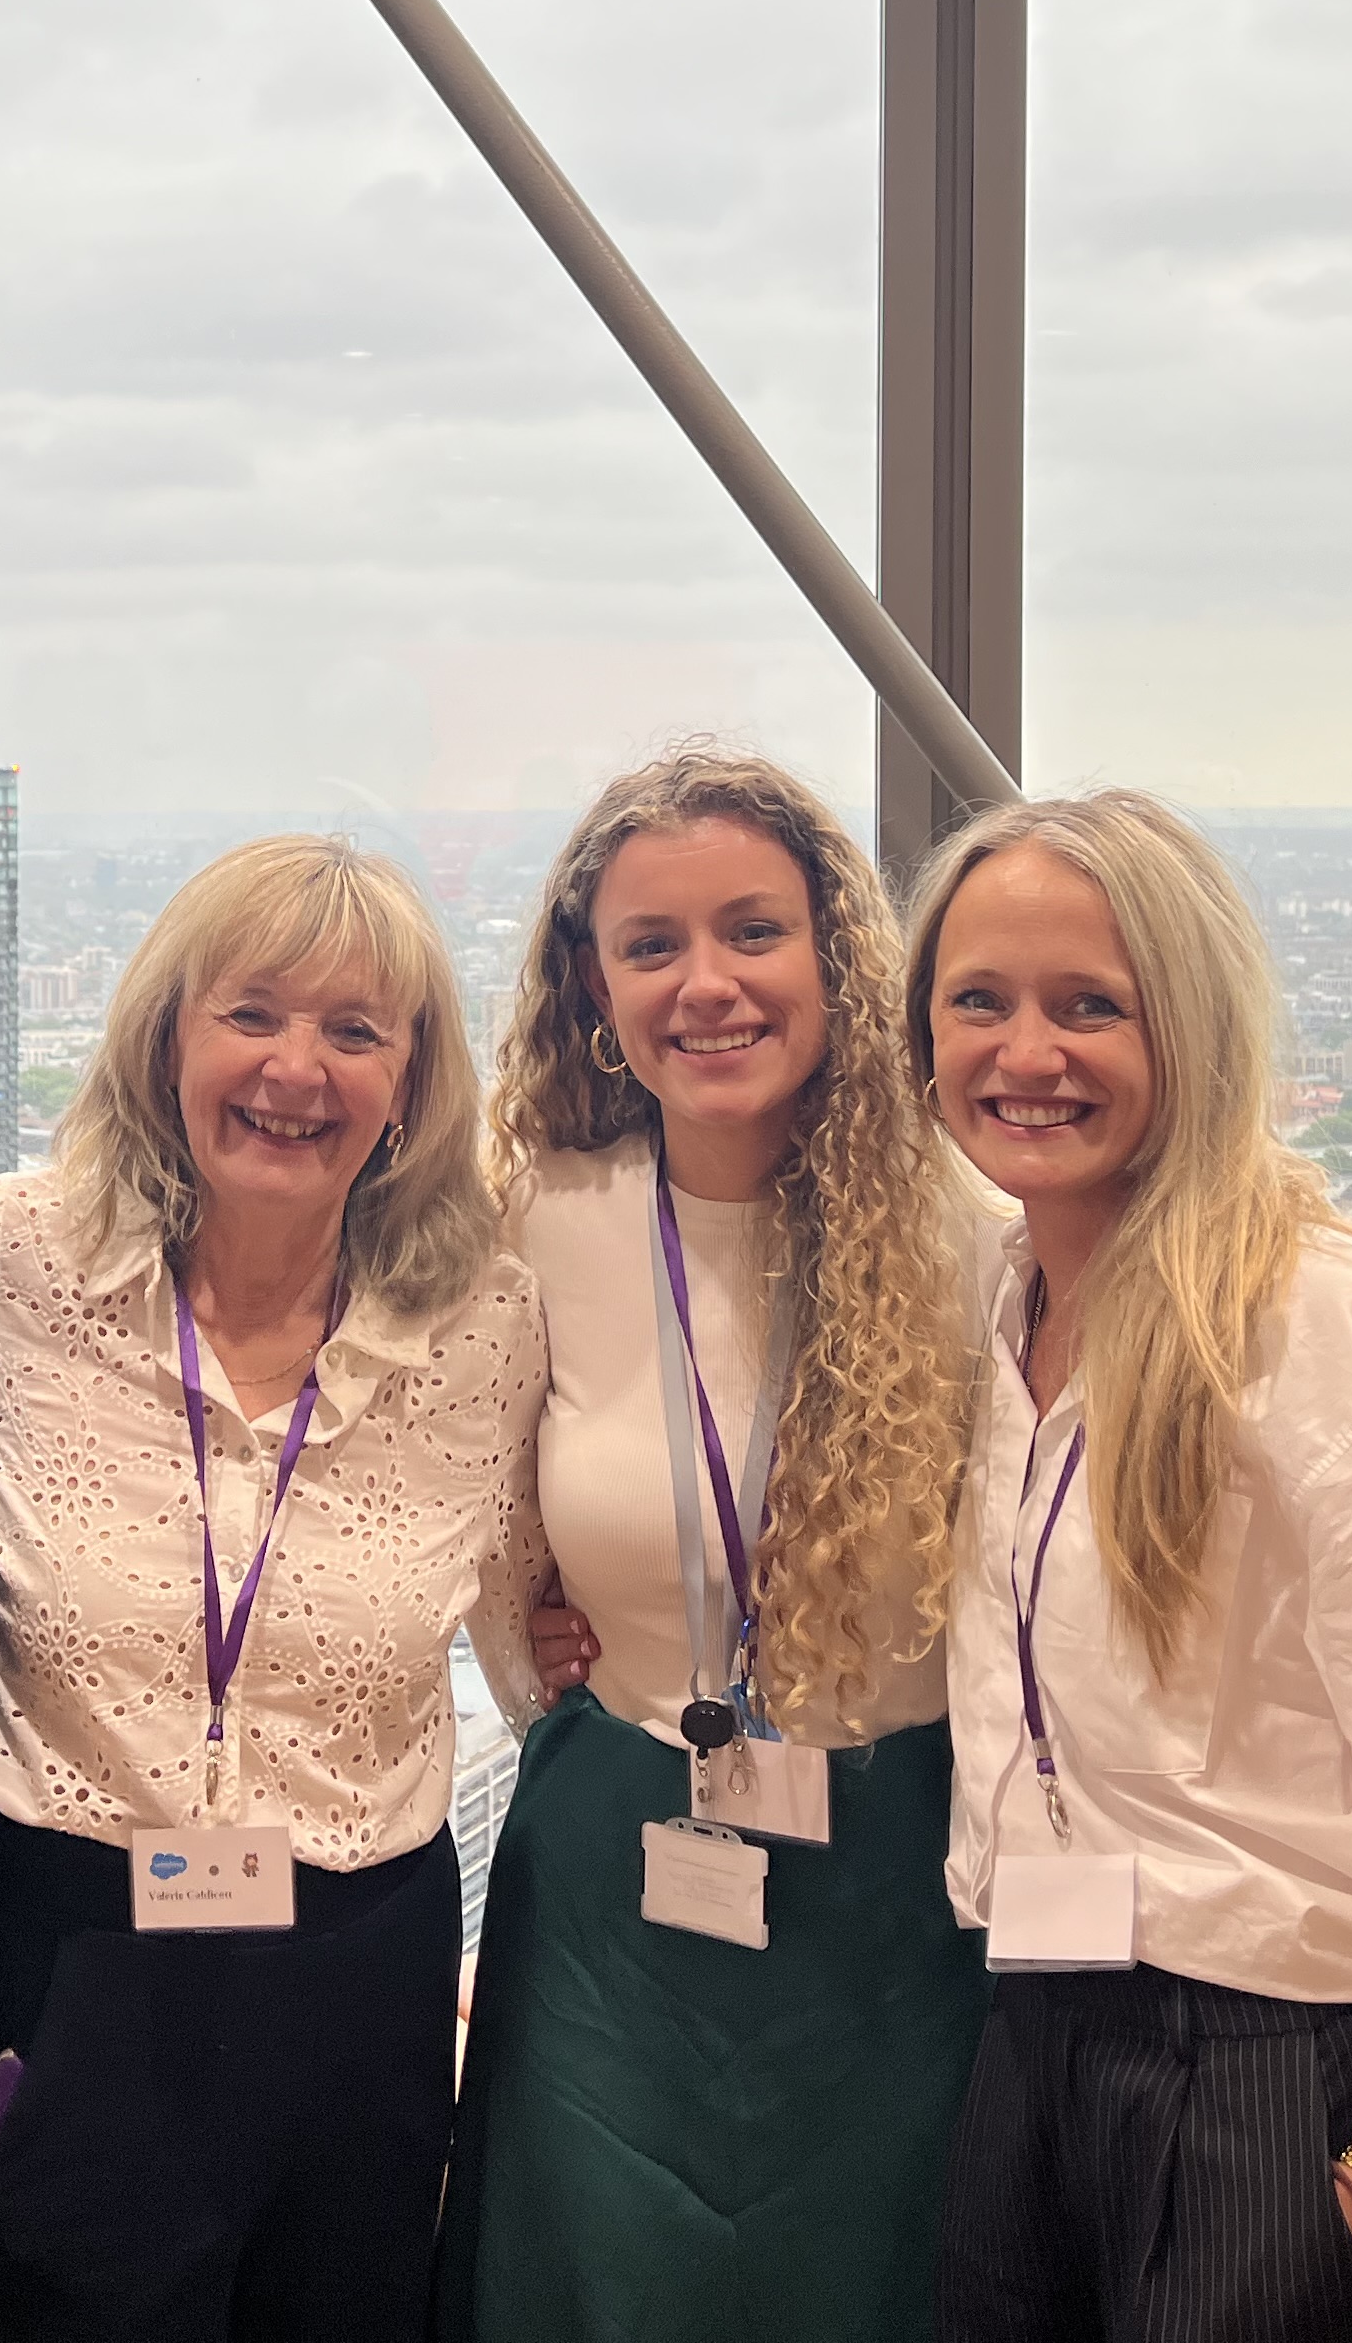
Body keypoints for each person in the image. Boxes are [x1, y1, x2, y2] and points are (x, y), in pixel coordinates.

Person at [913, 792, 1352, 2343]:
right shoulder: (1001, 1309)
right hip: (1043, 2041)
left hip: (1290, 2082)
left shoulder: (1334, 1338)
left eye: (1089, 1007)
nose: (1024, 1054)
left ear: (1193, 1032)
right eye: (979, 1000)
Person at [0, 836, 538, 2343]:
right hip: (63, 1950)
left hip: (356, 1976)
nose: (296, 1069)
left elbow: (545, 1612)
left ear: (411, 1083)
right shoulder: (4, 1271)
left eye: (355, 1031)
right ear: (168, 1035)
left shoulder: (489, 1326)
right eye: (253, 1013)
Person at [439, 749, 990, 2342]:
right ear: (593, 989)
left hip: (901, 1890)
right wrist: (531, 1640)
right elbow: (468, 1503)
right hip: (615, 1861)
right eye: (653, 945)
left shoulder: (973, 1229)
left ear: (837, 957)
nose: (709, 985)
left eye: (754, 931)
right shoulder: (533, 1215)